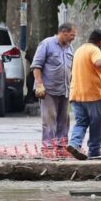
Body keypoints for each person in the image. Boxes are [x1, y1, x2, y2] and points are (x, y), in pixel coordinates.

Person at [66, 29, 101, 160]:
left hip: (76, 94)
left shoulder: (80, 50)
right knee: (96, 123)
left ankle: (74, 144)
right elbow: (98, 63)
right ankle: (94, 150)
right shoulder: (95, 50)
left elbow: (91, 65)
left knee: (81, 122)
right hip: (92, 94)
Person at [31, 22, 77, 153]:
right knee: (49, 118)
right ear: (63, 31)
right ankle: (48, 146)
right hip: (48, 89)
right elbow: (36, 66)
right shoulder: (47, 44)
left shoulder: (70, 47)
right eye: (72, 35)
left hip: (64, 88)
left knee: (64, 119)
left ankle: (62, 145)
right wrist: (39, 84)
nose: (73, 38)